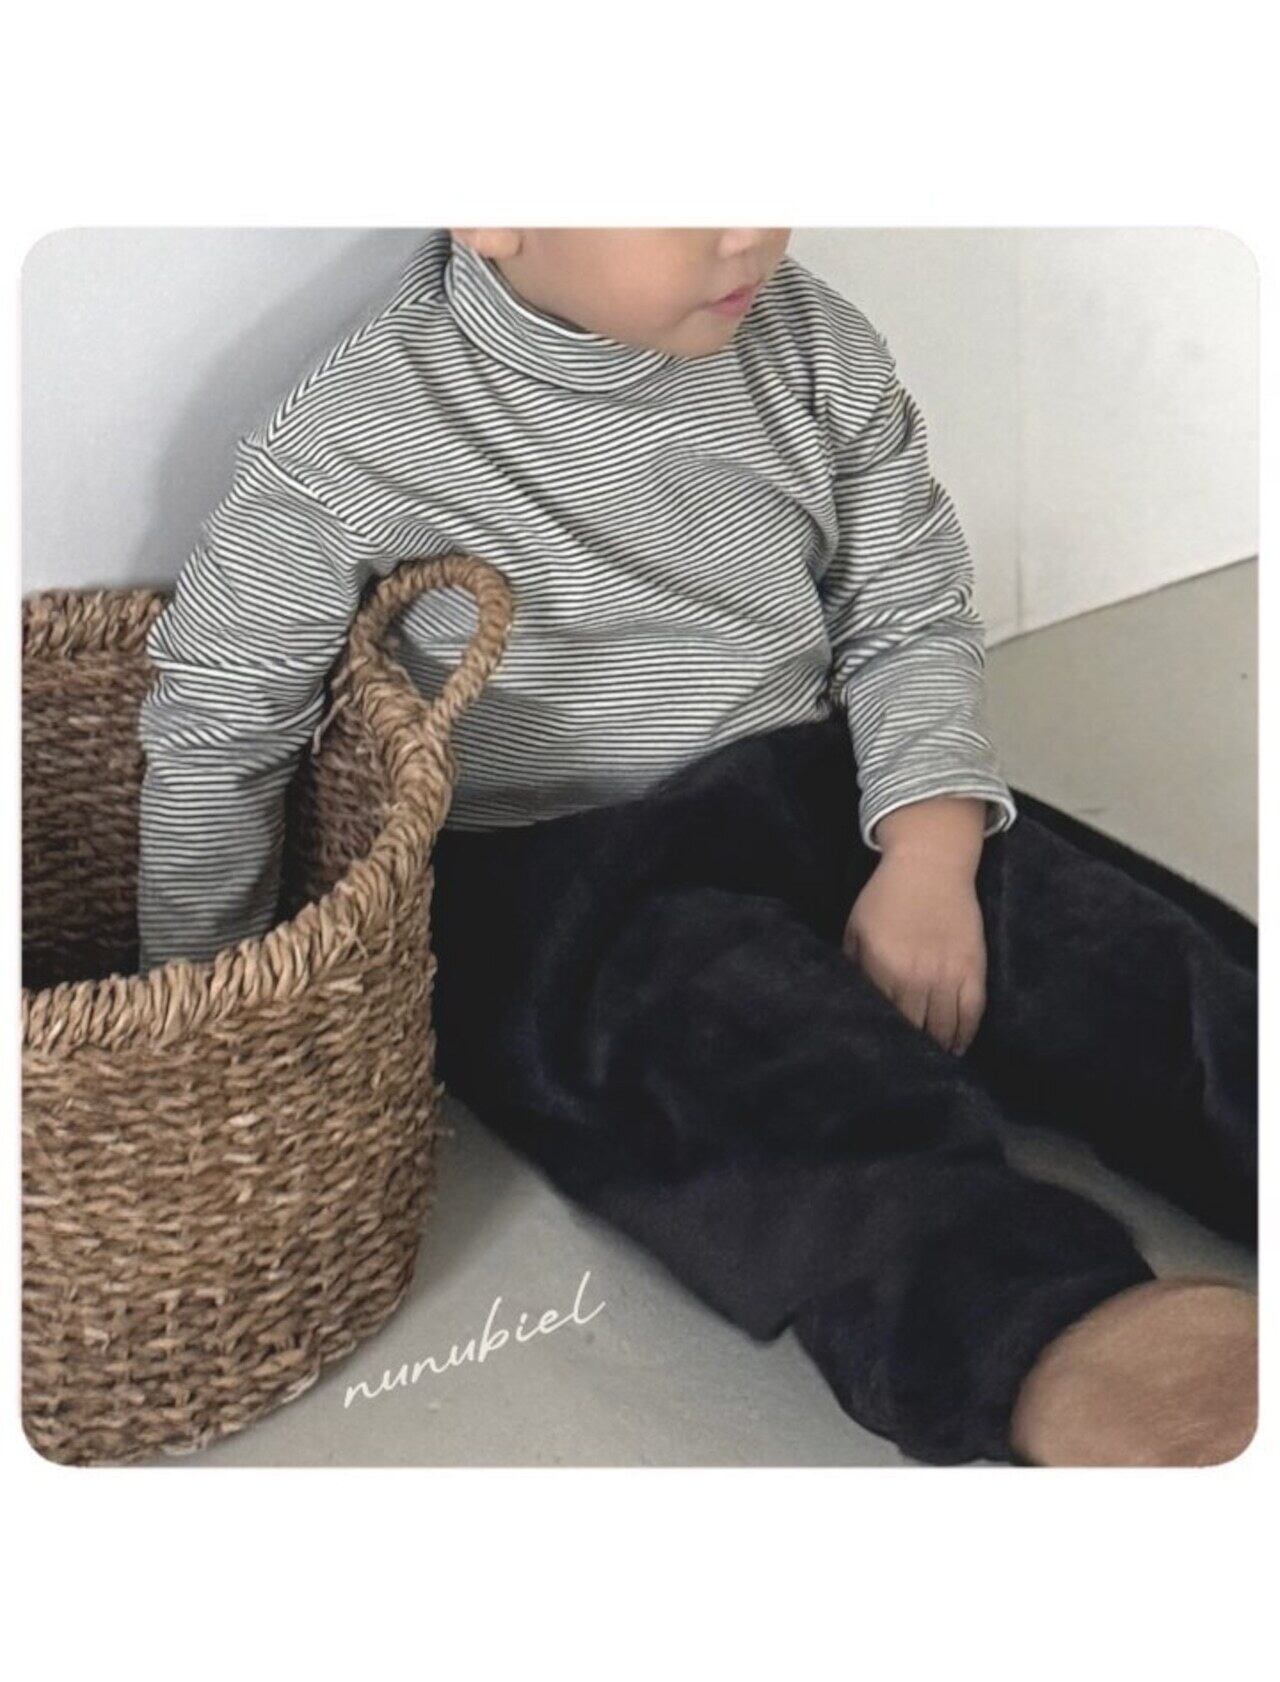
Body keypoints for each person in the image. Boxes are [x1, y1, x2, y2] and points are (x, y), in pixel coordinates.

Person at [136, 228, 1258, 1465]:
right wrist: (208, 1015)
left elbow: (904, 608)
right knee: (759, 1084)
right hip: (566, 872)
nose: (747, 227)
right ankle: (1032, 1327)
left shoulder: (811, 344)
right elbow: (220, 726)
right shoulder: (355, 435)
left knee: (1126, 958)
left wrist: (928, 854)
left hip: (817, 774)